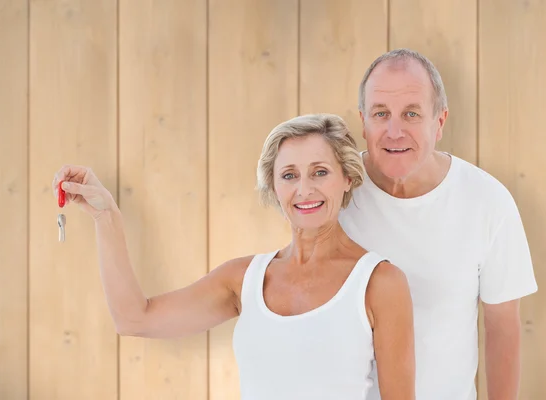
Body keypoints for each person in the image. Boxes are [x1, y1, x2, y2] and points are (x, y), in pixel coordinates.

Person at [52, 114, 416, 399]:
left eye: (320, 172)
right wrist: (107, 216)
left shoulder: (379, 283)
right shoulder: (244, 280)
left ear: (347, 178)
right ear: (274, 187)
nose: (304, 189)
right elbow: (134, 319)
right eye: (289, 175)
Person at [339, 48, 539, 400]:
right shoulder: (333, 192)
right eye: (381, 114)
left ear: (440, 121)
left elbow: (502, 327)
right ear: (363, 121)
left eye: (411, 113)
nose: (394, 131)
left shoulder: (487, 201)